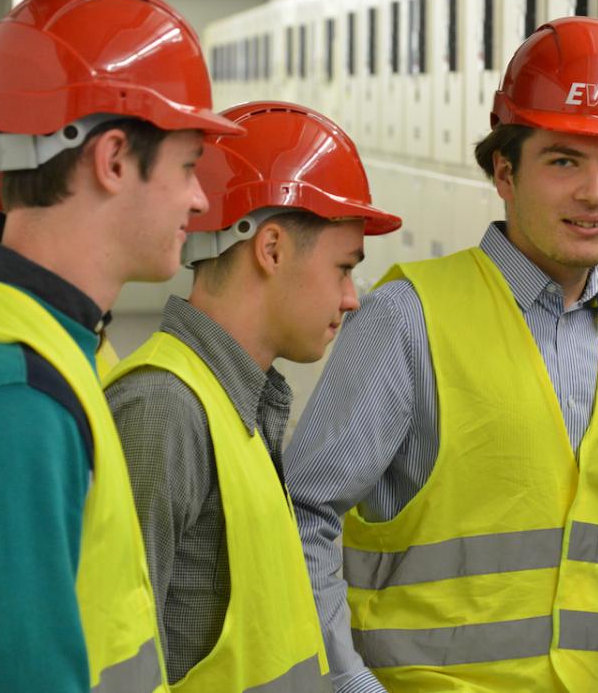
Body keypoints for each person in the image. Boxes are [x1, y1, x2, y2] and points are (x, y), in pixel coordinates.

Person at [286, 17, 598, 693]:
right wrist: (348, 684)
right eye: (563, 161)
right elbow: (301, 518)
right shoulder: (408, 319)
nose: (595, 194)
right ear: (504, 170)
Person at [0, 0, 244, 693]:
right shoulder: (3, 401)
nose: (201, 198)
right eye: (187, 166)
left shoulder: (59, 352)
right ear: (113, 159)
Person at [104, 101, 401, 693]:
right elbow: (112, 664)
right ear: (270, 250)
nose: (351, 298)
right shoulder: (164, 410)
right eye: (344, 268)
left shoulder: (239, 407)